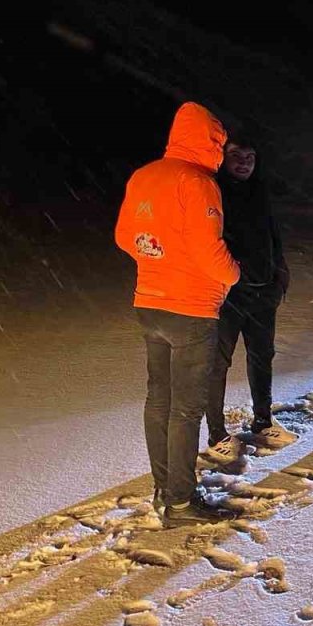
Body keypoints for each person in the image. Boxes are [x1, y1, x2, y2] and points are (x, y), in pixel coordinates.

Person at [114, 102, 238, 527]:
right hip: (191, 310)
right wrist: (234, 274)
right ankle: (182, 503)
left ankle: (164, 489)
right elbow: (211, 253)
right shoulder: (198, 183)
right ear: (209, 140)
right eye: (219, 142)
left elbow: (125, 237)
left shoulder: (143, 176)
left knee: (158, 400)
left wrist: (159, 258)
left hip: (149, 303)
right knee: (185, 409)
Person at [201, 136, 296, 466]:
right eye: (236, 156)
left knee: (262, 357)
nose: (243, 162)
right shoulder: (213, 191)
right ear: (223, 158)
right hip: (228, 295)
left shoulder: (260, 192)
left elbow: (273, 237)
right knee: (218, 363)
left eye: (250, 157)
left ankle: (263, 421)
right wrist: (225, 279)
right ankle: (216, 432)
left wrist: (279, 275)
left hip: (262, 291)